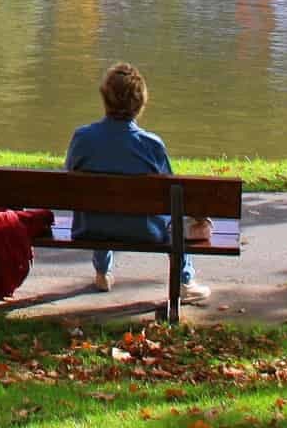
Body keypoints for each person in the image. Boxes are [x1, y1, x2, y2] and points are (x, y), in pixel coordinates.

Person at [64, 62, 211, 301]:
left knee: (100, 202)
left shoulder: (82, 139)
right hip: (146, 231)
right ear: (140, 103)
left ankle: (102, 272)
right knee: (174, 212)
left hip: (90, 227)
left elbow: (70, 179)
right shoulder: (151, 145)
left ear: (105, 98)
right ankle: (185, 281)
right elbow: (174, 194)